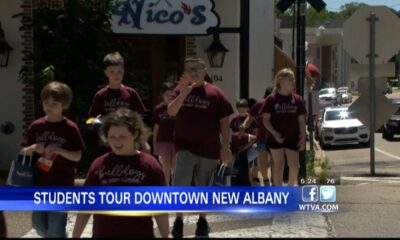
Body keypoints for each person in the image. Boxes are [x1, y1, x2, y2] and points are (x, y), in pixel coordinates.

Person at [72, 108, 169, 238]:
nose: (117, 141)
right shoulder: (99, 165)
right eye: (112, 137)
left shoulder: (150, 165)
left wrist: (166, 234)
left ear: (134, 134)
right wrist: (75, 235)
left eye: (122, 136)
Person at [167, 58, 233, 238]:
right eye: (189, 69)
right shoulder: (180, 90)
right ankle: (178, 220)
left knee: (205, 187)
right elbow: (171, 111)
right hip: (184, 146)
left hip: (209, 148)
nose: (193, 72)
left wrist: (225, 147)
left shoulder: (216, 93)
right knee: (180, 184)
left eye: (196, 68)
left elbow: (224, 122)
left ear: (205, 70)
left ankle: (202, 221)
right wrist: (183, 94)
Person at [21, 81, 85, 238]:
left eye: (54, 103)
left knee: (55, 226)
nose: (49, 106)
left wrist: (60, 150)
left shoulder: (70, 127)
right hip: (39, 181)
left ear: (64, 105)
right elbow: (23, 151)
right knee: (38, 224)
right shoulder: (36, 125)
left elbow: (78, 155)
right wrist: (32, 148)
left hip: (62, 182)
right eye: (46, 102)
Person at [87, 51, 148, 154]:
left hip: (129, 140)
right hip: (108, 142)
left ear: (123, 71)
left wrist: (144, 141)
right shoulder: (100, 95)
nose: (116, 75)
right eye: (112, 72)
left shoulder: (131, 93)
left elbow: (140, 118)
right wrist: (101, 133)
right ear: (106, 72)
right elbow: (90, 119)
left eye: (119, 71)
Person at [261, 68, 306, 186]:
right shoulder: (271, 99)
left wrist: (303, 137)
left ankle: (290, 189)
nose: (293, 82)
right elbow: (265, 120)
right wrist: (274, 133)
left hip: (293, 137)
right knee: (279, 165)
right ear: (281, 81)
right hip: (275, 137)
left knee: (295, 166)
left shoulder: (298, 99)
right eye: (290, 79)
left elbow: (301, 120)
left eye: (294, 79)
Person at [242, 87, 273, 186]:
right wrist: (244, 125)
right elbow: (250, 116)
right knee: (263, 163)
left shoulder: (276, 105)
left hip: (274, 139)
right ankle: (266, 180)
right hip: (262, 139)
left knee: (274, 163)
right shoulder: (260, 104)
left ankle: (274, 183)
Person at [152, 82, 176, 185]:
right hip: (163, 141)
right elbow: (156, 128)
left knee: (175, 166)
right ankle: (166, 190)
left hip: (176, 141)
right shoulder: (158, 109)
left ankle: (176, 189)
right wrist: (154, 144)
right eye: (167, 95)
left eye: (172, 95)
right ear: (162, 95)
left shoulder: (178, 107)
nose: (169, 98)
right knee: (166, 166)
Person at [230, 99, 258, 185]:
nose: (241, 111)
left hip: (250, 145)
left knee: (246, 160)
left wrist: (245, 147)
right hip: (238, 147)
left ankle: (250, 182)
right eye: (239, 109)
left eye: (243, 109)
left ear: (247, 109)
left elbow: (256, 137)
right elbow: (234, 136)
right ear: (237, 109)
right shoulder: (234, 120)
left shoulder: (251, 120)